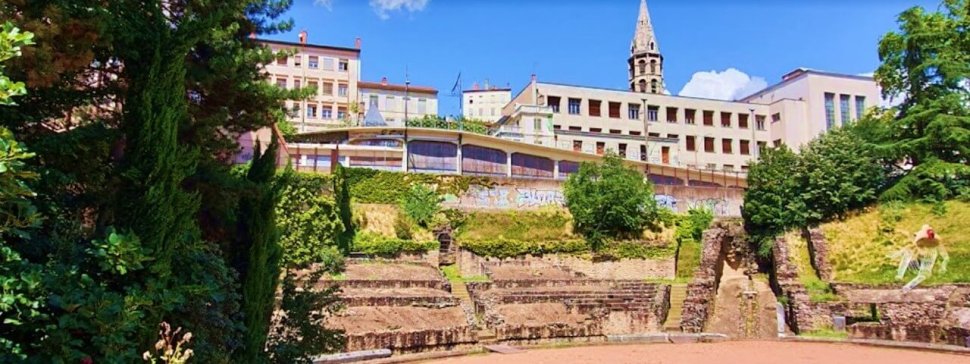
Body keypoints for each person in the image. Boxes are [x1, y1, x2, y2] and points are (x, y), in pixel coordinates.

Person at [894, 224, 949, 291]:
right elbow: (907, 253)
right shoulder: (917, 244)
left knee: (924, 274)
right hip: (915, 262)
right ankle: (900, 275)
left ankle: (908, 286)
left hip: (927, 262)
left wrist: (943, 266)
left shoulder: (935, 246)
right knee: (908, 252)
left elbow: (946, 257)